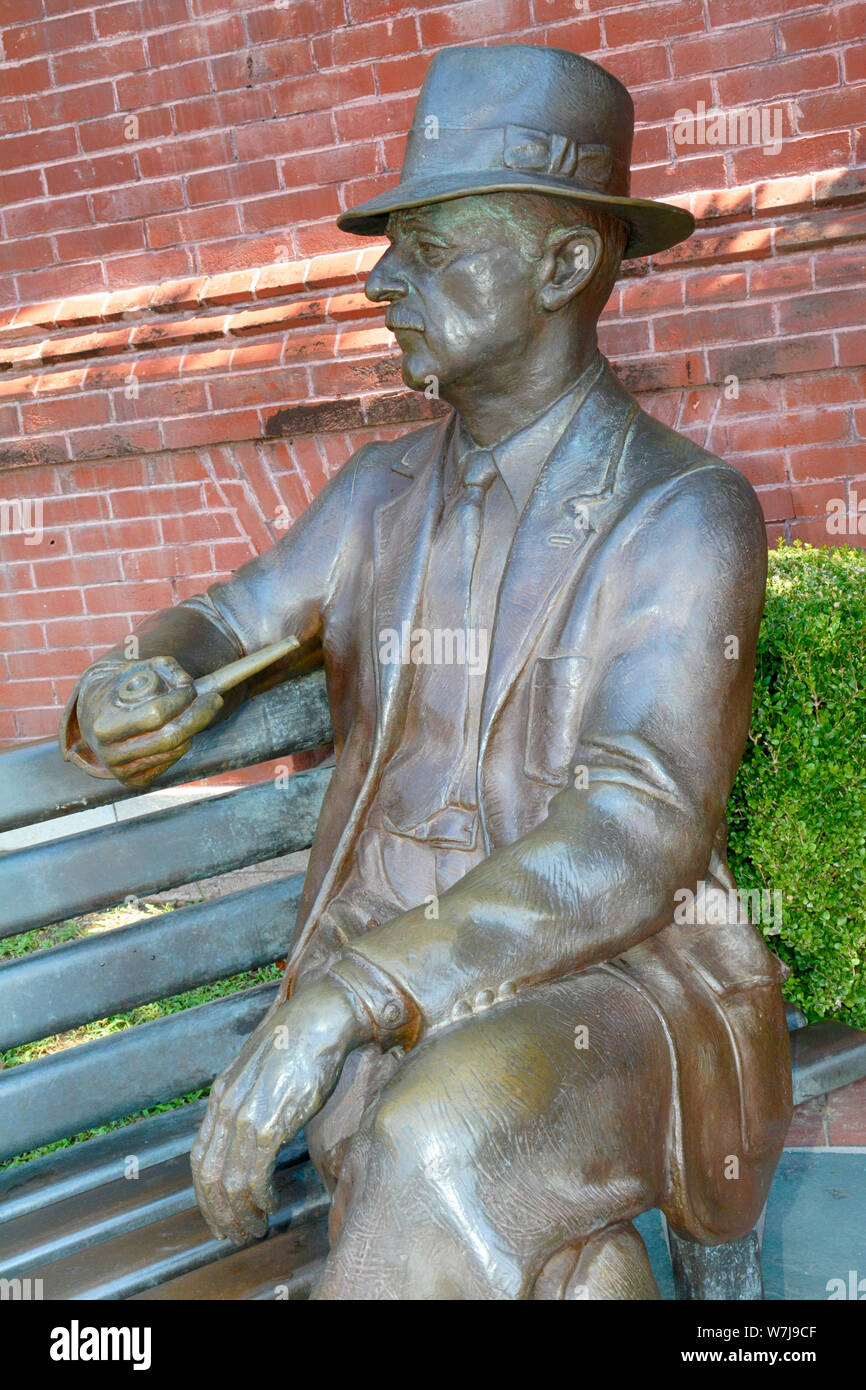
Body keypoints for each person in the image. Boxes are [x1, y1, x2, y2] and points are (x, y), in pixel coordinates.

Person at [61, 44, 792, 1299]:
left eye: (433, 248)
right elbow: (221, 618)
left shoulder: (684, 514)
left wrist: (347, 1000)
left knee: (436, 1137)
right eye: (392, 244)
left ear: (566, 266)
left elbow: (633, 831)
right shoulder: (373, 496)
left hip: (600, 985)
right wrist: (137, 677)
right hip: (384, 975)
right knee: (565, 1261)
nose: (379, 278)